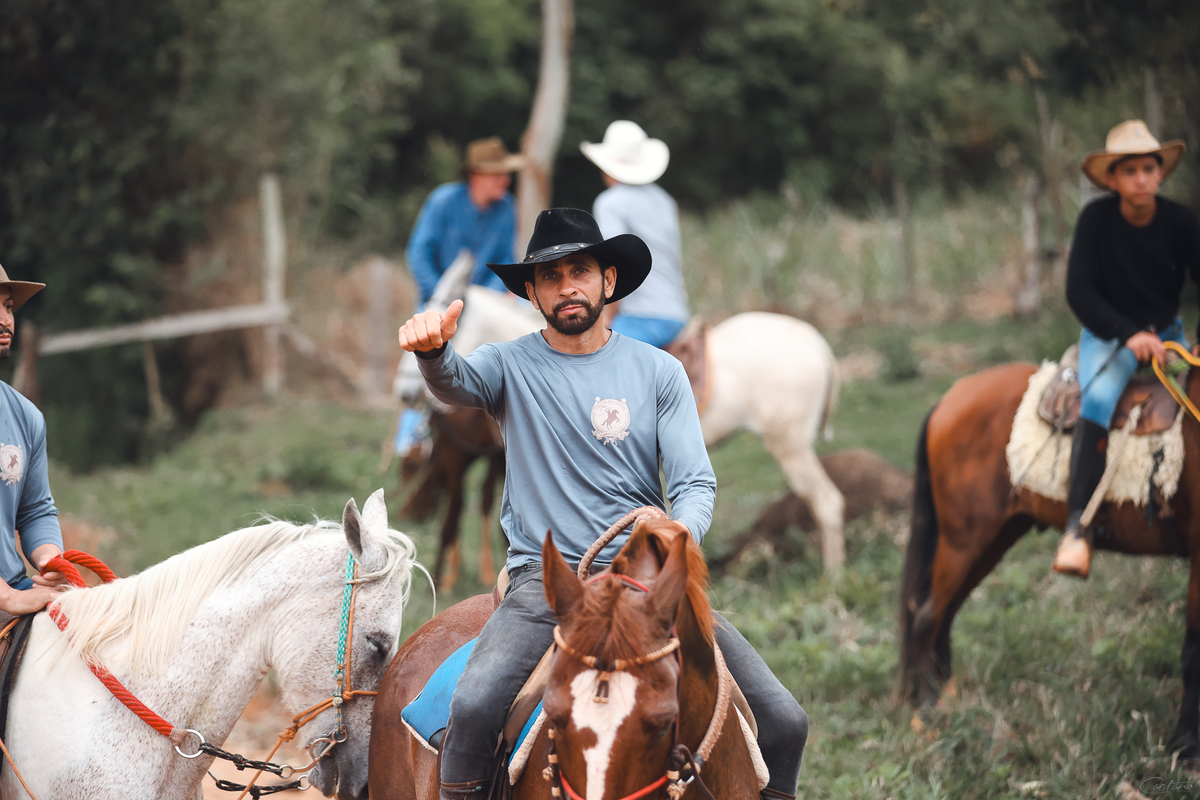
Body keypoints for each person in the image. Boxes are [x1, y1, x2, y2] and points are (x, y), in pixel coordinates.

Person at [398, 208, 808, 800]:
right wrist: (433, 352)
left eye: (580, 272)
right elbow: (454, 382)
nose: (567, 286)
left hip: (643, 584)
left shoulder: (660, 371)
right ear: (532, 293)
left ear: (607, 281)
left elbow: (695, 483)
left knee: (785, 721)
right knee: (475, 704)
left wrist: (676, 538)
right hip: (548, 586)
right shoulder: (508, 364)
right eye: (550, 276)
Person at [1054, 120, 1200, 578]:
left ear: (1161, 173)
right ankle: (1078, 526)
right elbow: (1079, 292)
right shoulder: (1095, 222)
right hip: (1109, 334)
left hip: (1167, 333)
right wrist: (1127, 333)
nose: (1141, 179)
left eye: (1148, 169)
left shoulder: (1182, 222)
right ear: (1113, 179)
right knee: (1098, 398)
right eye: (1130, 171)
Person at [395, 137, 527, 455]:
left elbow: (505, 260)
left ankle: (507, 435)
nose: (505, 180)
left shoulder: (506, 208)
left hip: (483, 303)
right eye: (497, 174)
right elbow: (419, 252)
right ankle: (412, 444)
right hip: (438, 298)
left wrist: (483, 300)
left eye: (505, 174)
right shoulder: (443, 201)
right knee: (420, 361)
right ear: (476, 175)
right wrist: (441, 298)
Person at [580, 121, 690, 348]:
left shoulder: (610, 202)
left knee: (594, 355)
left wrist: (608, 316)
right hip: (676, 312)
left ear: (607, 167)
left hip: (642, 315)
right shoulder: (664, 200)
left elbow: (614, 262)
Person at [0, 264, 66, 614]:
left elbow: (35, 510)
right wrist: (9, 598)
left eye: (8, 307)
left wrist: (50, 559)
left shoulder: (26, 417)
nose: (5, 321)